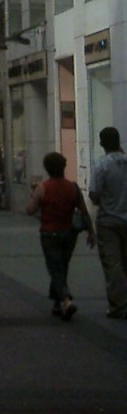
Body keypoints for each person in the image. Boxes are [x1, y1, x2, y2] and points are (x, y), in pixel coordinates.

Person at [27, 151, 95, 320]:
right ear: (64, 167)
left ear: (47, 168)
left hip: (49, 233)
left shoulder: (43, 187)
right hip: (69, 233)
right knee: (62, 266)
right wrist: (91, 232)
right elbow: (84, 211)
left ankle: (65, 299)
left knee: (55, 268)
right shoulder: (73, 187)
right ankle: (57, 304)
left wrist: (34, 195)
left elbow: (30, 210)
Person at [88, 126, 127, 319]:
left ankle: (119, 305)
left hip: (108, 220)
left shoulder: (101, 165)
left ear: (102, 143)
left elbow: (94, 193)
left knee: (113, 264)